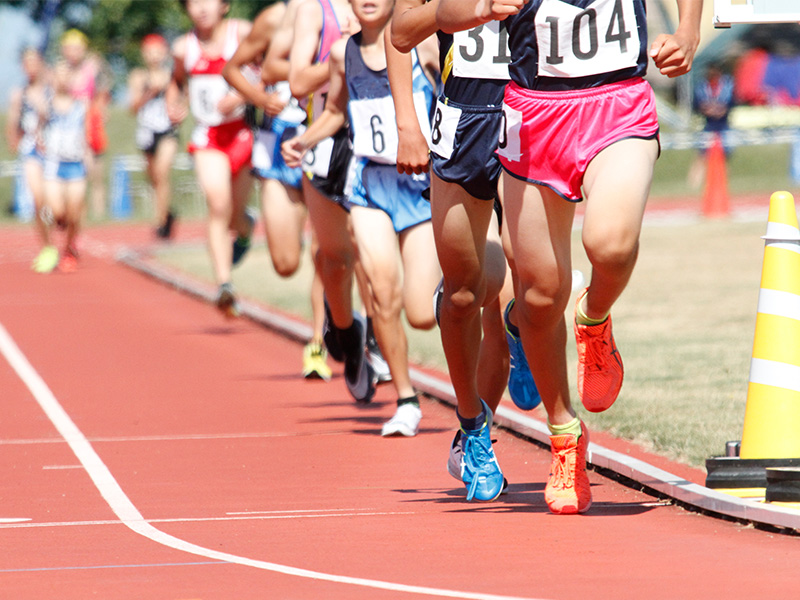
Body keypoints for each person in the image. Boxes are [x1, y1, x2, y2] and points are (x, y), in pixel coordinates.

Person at [436, 0, 702, 513]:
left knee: (610, 243)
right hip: (535, 116)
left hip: (618, 101)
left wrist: (689, 30)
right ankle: (564, 433)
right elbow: (421, 19)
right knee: (537, 298)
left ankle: (594, 316)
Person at [390, 0, 539, 498]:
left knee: (528, 263)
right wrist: (408, 122)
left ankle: (523, 323)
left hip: (536, 107)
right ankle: (472, 429)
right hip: (465, 117)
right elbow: (401, 29)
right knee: (462, 295)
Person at [283, 0, 442, 437]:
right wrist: (304, 140)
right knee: (381, 289)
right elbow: (335, 110)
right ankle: (406, 399)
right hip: (369, 186)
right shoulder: (342, 53)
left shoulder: (423, 43)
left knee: (421, 312)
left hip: (421, 187)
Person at [223, 0, 332, 381]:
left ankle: (318, 341)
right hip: (277, 143)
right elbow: (235, 68)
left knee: (325, 249)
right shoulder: (275, 18)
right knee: (285, 264)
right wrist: (259, 98)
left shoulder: (347, 11)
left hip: (326, 139)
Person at [283, 0, 378, 403]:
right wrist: (348, 54)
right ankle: (346, 331)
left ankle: (377, 340)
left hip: (377, 140)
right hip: (327, 138)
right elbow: (298, 82)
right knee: (336, 259)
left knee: (372, 247)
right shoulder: (314, 9)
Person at [167, 0, 255, 317]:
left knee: (235, 214)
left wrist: (243, 94)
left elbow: (270, 68)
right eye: (193, 2)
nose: (201, 8)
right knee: (218, 204)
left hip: (242, 133)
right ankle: (224, 285)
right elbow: (176, 81)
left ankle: (245, 228)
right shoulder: (183, 47)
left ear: (225, 6)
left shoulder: (242, 33)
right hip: (208, 137)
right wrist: (173, 103)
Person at [5, 48, 55, 273]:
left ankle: (66, 240)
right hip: (31, 152)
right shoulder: (20, 93)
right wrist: (13, 139)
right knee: (38, 200)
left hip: (55, 151)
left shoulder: (51, 89)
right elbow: (14, 119)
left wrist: (43, 105)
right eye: (27, 63)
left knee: (56, 204)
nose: (31, 67)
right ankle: (47, 247)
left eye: (35, 62)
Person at [128, 34, 180, 239]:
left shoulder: (172, 75)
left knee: (162, 173)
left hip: (167, 131)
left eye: (159, 51)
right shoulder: (138, 77)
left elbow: (180, 101)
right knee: (153, 179)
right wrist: (150, 92)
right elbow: (132, 108)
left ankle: (160, 222)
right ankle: (167, 213)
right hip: (146, 132)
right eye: (150, 51)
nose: (155, 56)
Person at [41, 60, 89, 273]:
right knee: (56, 211)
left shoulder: (81, 105)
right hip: (53, 163)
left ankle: (69, 249)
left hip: (75, 164)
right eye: (58, 74)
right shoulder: (46, 104)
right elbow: (37, 129)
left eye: (66, 74)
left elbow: (87, 133)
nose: (62, 78)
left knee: (74, 213)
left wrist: (88, 154)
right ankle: (56, 234)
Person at [60, 29, 112, 220]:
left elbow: (103, 92)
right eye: (69, 48)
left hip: (91, 123)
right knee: (73, 173)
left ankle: (99, 214)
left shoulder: (92, 69)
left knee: (95, 171)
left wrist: (102, 109)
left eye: (77, 48)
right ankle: (76, 213)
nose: (73, 52)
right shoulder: (60, 72)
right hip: (68, 127)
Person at [688, 63, 735, 190]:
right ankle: (694, 184)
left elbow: (731, 102)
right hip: (708, 125)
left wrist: (721, 109)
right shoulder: (702, 86)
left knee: (725, 156)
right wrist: (706, 109)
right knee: (701, 155)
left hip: (723, 125)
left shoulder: (728, 85)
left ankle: (723, 183)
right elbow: (697, 104)